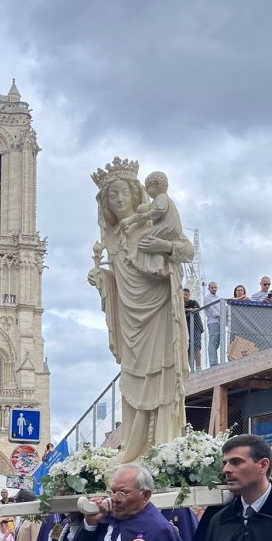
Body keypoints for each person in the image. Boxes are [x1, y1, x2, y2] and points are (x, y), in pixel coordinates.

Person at [88, 160, 194, 462]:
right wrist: (103, 279)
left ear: (136, 194)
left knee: (162, 375)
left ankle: (161, 448)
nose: (119, 200)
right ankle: (133, 448)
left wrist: (160, 246)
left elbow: (185, 250)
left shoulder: (150, 223)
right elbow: (120, 279)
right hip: (131, 321)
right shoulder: (113, 239)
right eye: (112, 196)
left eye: (123, 192)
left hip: (158, 312)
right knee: (132, 380)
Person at [183, 287, 203, 371]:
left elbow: (197, 309)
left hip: (195, 328)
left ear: (189, 295)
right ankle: (192, 369)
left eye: (186, 295)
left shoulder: (193, 302)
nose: (184, 296)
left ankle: (198, 367)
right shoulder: (179, 304)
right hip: (185, 329)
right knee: (187, 349)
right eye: (182, 295)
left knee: (196, 347)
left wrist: (186, 309)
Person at [203, 281, 222, 366]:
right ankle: (213, 363)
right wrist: (220, 315)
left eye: (215, 287)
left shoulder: (218, 297)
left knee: (218, 342)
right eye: (212, 287)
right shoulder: (207, 298)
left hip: (220, 321)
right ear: (209, 288)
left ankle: (215, 361)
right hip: (213, 321)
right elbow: (211, 310)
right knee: (213, 341)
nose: (214, 289)